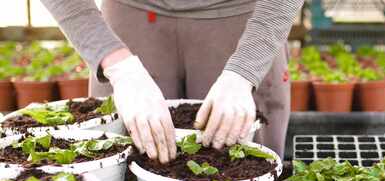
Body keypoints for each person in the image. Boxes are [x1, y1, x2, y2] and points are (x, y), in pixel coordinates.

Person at [40, 0, 304, 163]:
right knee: (124, 163)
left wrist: (245, 69)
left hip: (245, 18)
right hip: (130, 16)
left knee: (241, 166)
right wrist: (119, 67)